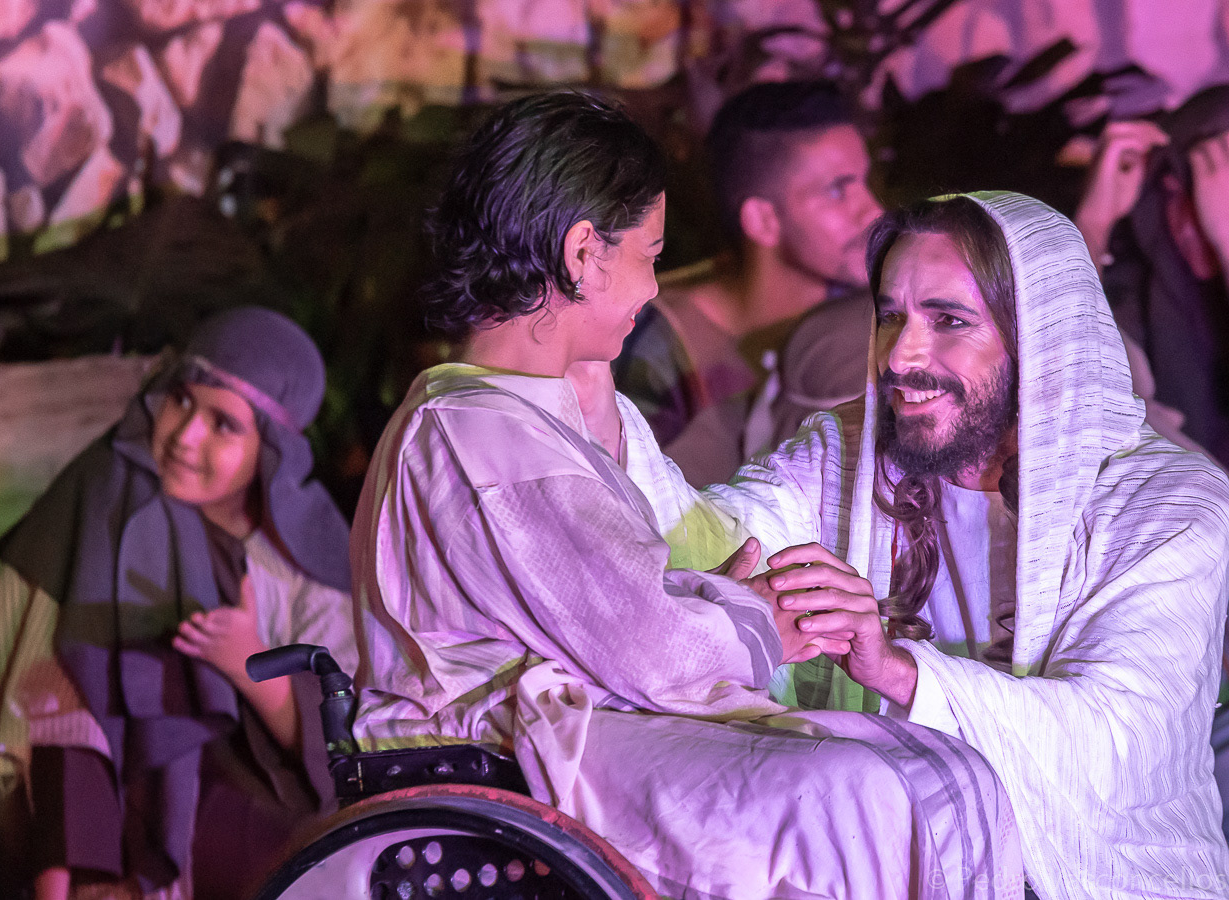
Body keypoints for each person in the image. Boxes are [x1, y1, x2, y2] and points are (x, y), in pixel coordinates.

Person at [352, 90, 1021, 899]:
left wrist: (717, 601)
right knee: (860, 792)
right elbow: (647, 640)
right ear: (584, 253)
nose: (652, 289)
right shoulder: (477, 428)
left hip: (580, 727)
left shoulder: (520, 414)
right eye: (650, 254)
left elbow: (627, 602)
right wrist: (756, 617)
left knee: (939, 769)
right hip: (499, 760)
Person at [665, 192, 1229, 897]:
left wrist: (899, 670)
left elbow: (1115, 742)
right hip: (901, 863)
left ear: (1040, 339)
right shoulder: (848, 455)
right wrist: (588, 393)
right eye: (890, 316)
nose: (899, 356)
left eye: (949, 321)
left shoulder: (1171, 504)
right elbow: (704, 538)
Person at [0, 307, 356, 900]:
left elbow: (344, 752)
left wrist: (250, 666)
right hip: (89, 807)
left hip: (241, 812)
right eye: (180, 400)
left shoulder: (306, 565)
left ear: (271, 451)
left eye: (224, 424)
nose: (185, 436)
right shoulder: (105, 500)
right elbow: (22, 676)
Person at [614, 79, 882, 484]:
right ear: (762, 220)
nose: (873, 211)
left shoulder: (873, 315)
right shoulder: (657, 347)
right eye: (836, 191)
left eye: (865, 182)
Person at [1075, 88, 1229, 464]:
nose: (1201, 228)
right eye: (1182, 196)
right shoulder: (1134, 297)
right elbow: (1064, 374)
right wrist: (1092, 227)